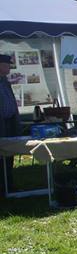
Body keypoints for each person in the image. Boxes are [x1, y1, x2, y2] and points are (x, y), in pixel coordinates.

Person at [0, 54, 20, 193]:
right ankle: (3, 187)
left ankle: (9, 185)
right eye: (6, 65)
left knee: (9, 156)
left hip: (9, 123)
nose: (9, 68)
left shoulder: (5, 81)